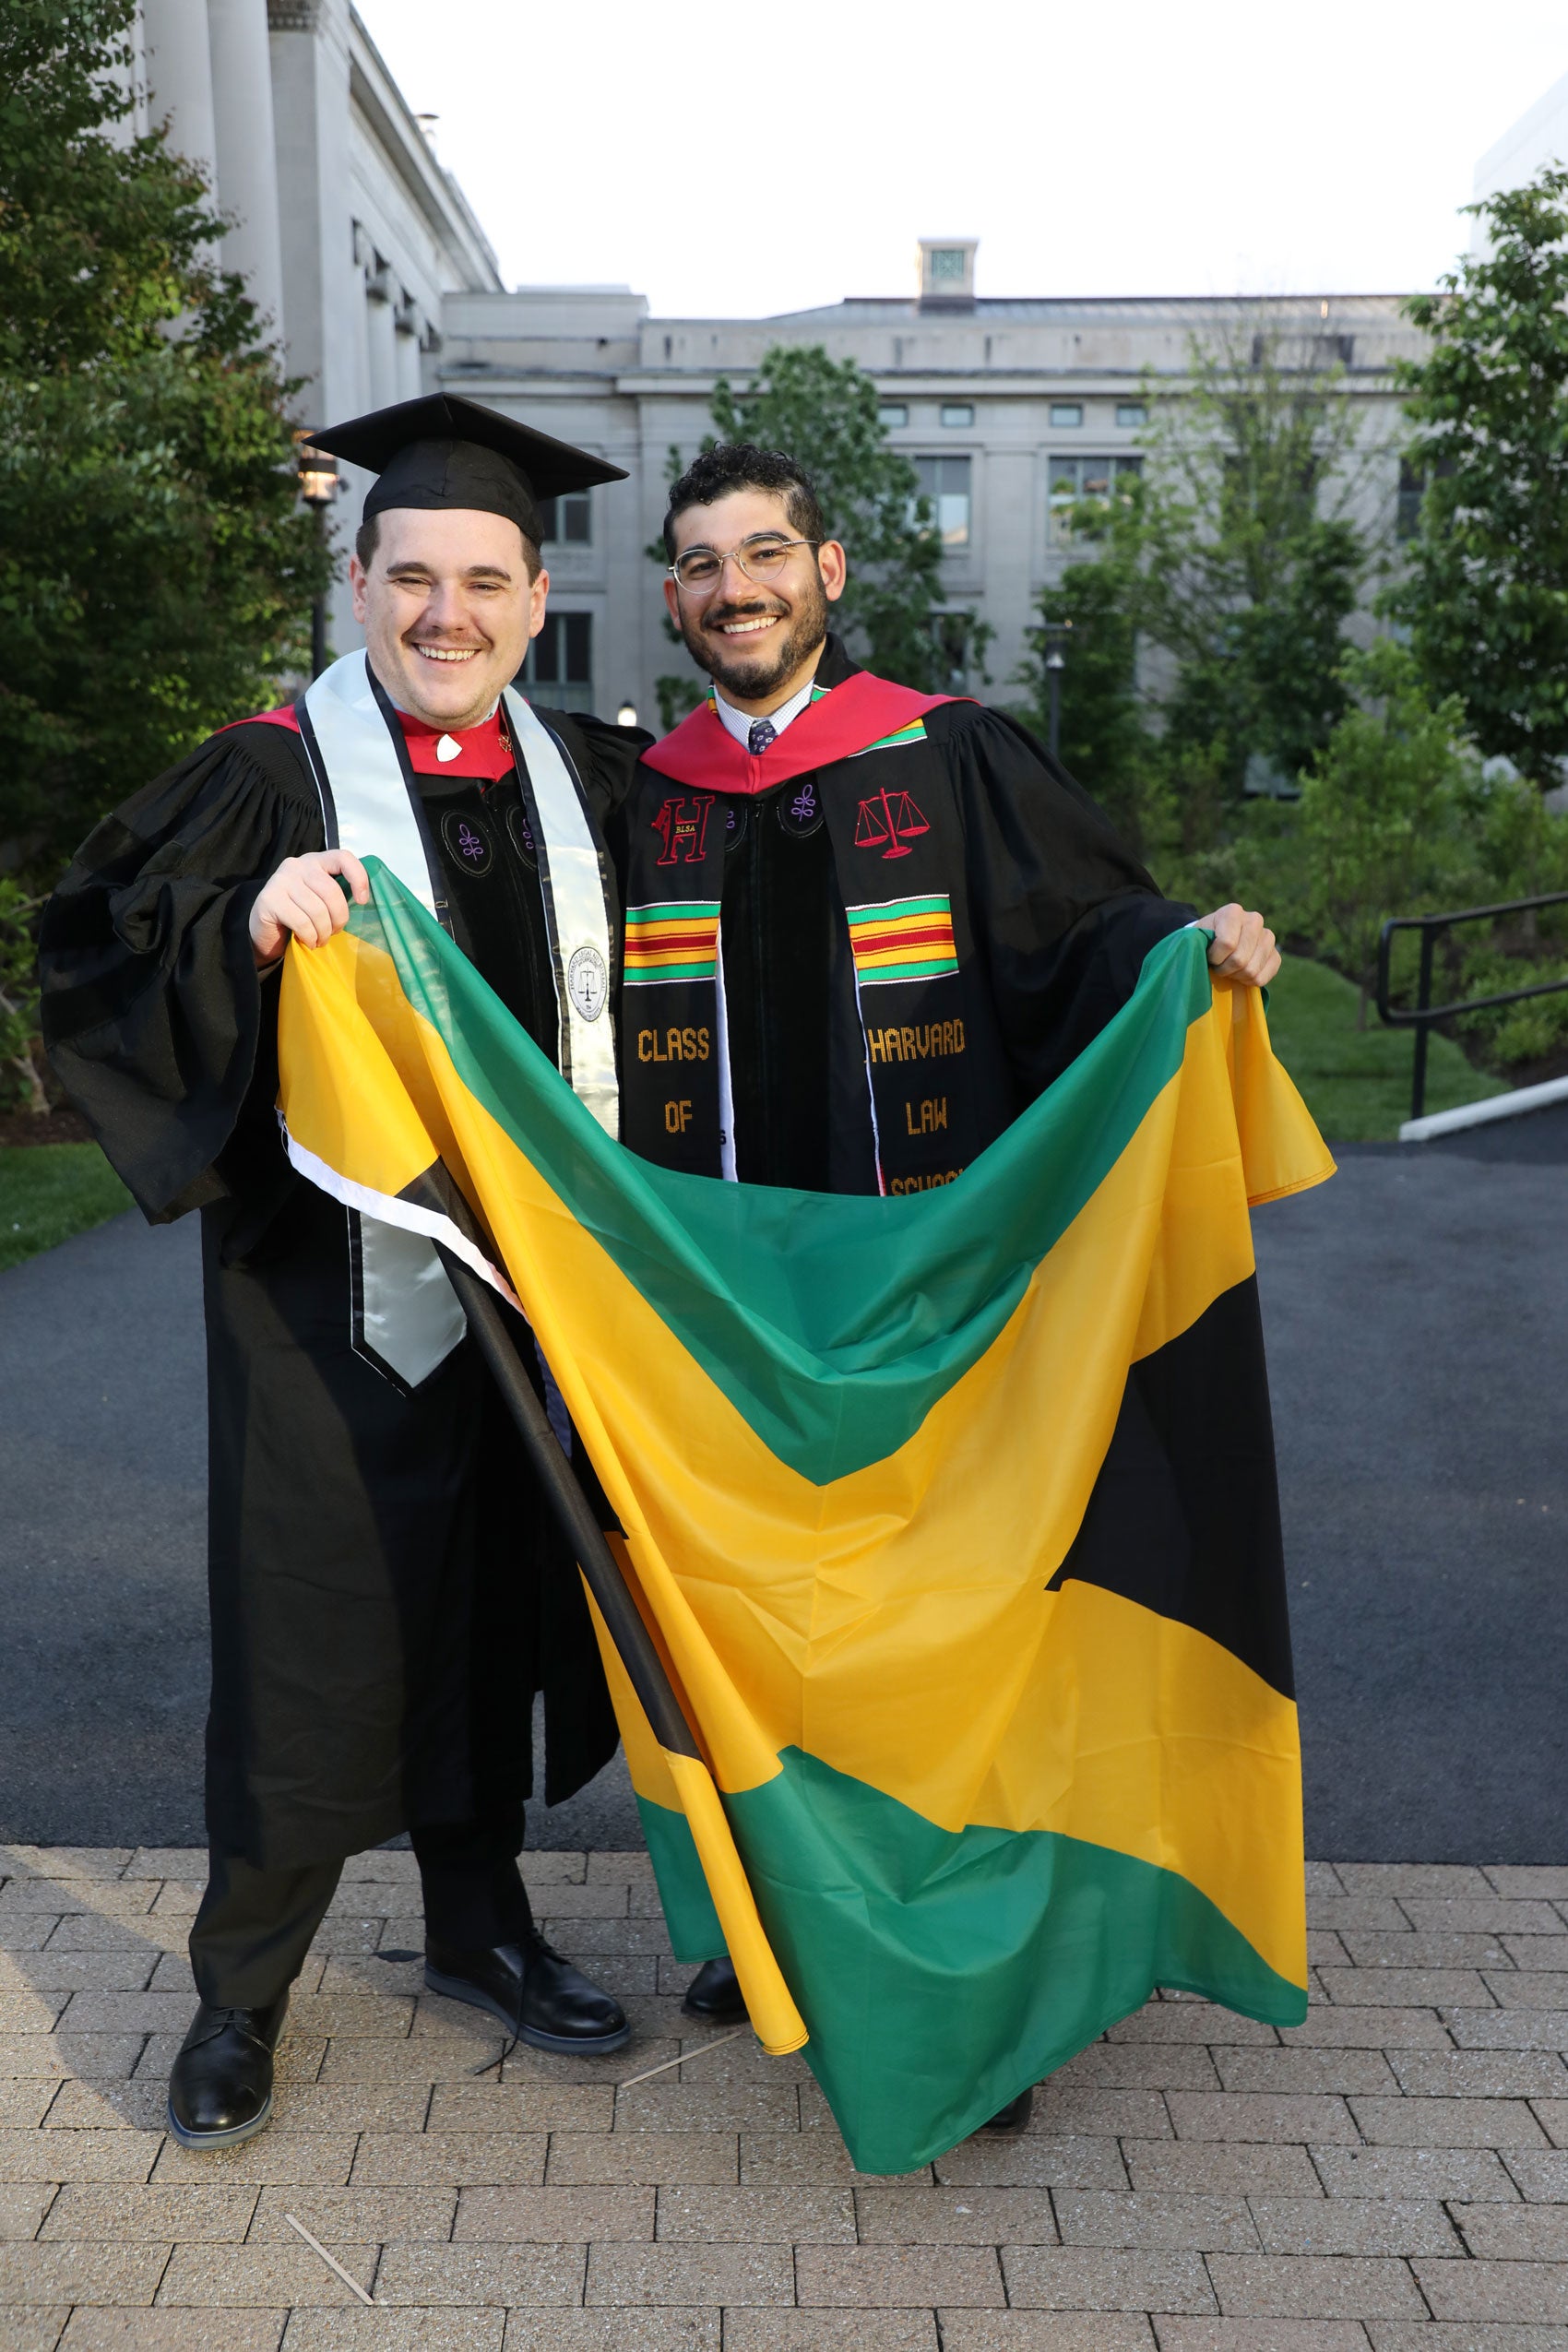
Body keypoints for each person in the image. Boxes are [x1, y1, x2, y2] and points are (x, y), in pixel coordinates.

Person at [592, 442, 1281, 2118]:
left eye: (764, 553)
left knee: (926, 1622)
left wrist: (1191, 947)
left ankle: (948, 1973)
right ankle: (765, 1916)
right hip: (712, 1302)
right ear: (672, 595)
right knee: (742, 1614)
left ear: (829, 571)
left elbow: (1077, 931)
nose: (733, 585)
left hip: (921, 1292)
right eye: (700, 561)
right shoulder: (639, 794)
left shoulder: (947, 753)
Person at [40, 394, 654, 2150]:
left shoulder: (594, 787)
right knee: (310, 1629)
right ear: (361, 580)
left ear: (539, 598)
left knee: (491, 1607)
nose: (445, 614)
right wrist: (241, 916)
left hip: (536, 1301)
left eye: (484, 579)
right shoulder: (265, 775)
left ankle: (482, 1930)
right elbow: (91, 935)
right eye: (411, 576)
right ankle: (243, 1990)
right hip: (324, 1303)